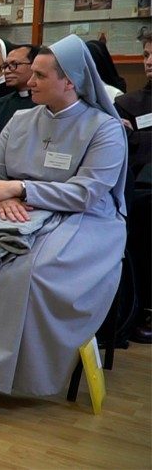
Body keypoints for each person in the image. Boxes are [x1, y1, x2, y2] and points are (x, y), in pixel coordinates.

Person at [0, 34, 128, 415]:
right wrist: (6, 194)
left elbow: (88, 192)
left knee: (34, 270)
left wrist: (22, 188)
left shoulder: (104, 129)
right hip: (12, 209)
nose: (29, 82)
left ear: (71, 82)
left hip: (82, 219)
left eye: (40, 76)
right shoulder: (19, 119)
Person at [115, 32, 151, 343]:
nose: (149, 61)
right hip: (139, 185)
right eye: (147, 54)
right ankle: (137, 307)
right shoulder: (128, 104)